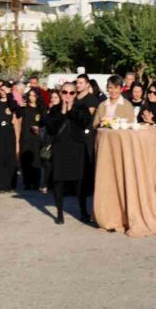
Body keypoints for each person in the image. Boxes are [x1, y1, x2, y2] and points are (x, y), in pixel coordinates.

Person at [45, 82, 92, 224]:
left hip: (77, 150)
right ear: (60, 93)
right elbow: (51, 129)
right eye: (65, 92)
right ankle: (59, 213)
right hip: (60, 150)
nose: (68, 95)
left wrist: (71, 110)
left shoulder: (81, 107)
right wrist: (62, 113)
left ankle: (83, 212)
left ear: (75, 94)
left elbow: (85, 122)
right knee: (59, 181)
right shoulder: (55, 109)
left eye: (72, 93)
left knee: (80, 183)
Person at [0, 80, 20, 192]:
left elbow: (14, 108)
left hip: (9, 129)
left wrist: (9, 94)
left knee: (10, 157)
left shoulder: (11, 102)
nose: (2, 91)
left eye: (4, 89)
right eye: (0, 89)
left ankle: (10, 184)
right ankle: (1, 185)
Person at [75, 74, 99, 197]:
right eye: (77, 82)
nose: (78, 85)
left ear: (87, 84)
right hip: (74, 135)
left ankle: (88, 188)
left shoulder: (91, 99)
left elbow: (88, 118)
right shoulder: (74, 98)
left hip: (87, 136)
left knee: (87, 162)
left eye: (81, 83)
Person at [19, 89, 45, 190]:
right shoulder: (25, 107)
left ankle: (36, 183)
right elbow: (18, 116)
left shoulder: (40, 108)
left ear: (37, 96)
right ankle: (27, 183)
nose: (31, 98)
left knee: (36, 160)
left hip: (36, 139)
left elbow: (44, 122)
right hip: (25, 138)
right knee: (25, 161)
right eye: (30, 95)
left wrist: (39, 128)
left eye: (33, 96)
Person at [39, 89, 61, 193]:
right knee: (46, 161)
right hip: (47, 138)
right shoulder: (47, 109)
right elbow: (42, 122)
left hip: (57, 138)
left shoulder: (61, 110)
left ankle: (53, 185)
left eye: (56, 97)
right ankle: (45, 183)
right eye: (52, 97)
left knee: (55, 162)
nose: (53, 99)